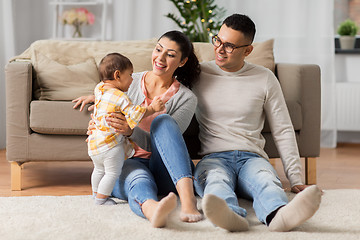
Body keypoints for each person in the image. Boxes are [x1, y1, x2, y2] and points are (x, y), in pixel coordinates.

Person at [192, 14, 322, 232]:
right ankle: (230, 216)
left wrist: (296, 178)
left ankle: (278, 215)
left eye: (230, 46)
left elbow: (282, 128)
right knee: (215, 183)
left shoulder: (264, 78)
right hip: (213, 157)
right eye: (218, 40)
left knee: (266, 181)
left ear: (248, 50)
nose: (220, 49)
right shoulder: (198, 73)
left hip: (251, 157)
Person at [73, 30, 203, 227]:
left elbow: (169, 142)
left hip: (166, 170)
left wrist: (130, 131)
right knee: (138, 179)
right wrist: (98, 124)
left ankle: (188, 201)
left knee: (164, 122)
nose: (160, 58)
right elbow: (106, 107)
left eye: (170, 54)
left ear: (182, 62)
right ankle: (152, 210)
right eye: (158, 49)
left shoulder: (186, 98)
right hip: (129, 162)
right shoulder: (127, 81)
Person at [88, 53, 165, 206]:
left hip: (94, 144)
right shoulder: (121, 97)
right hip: (110, 146)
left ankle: (95, 193)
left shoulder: (99, 89)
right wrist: (152, 108)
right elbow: (135, 113)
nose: (132, 79)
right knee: (112, 173)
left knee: (98, 170)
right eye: (130, 75)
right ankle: (101, 199)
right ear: (117, 75)